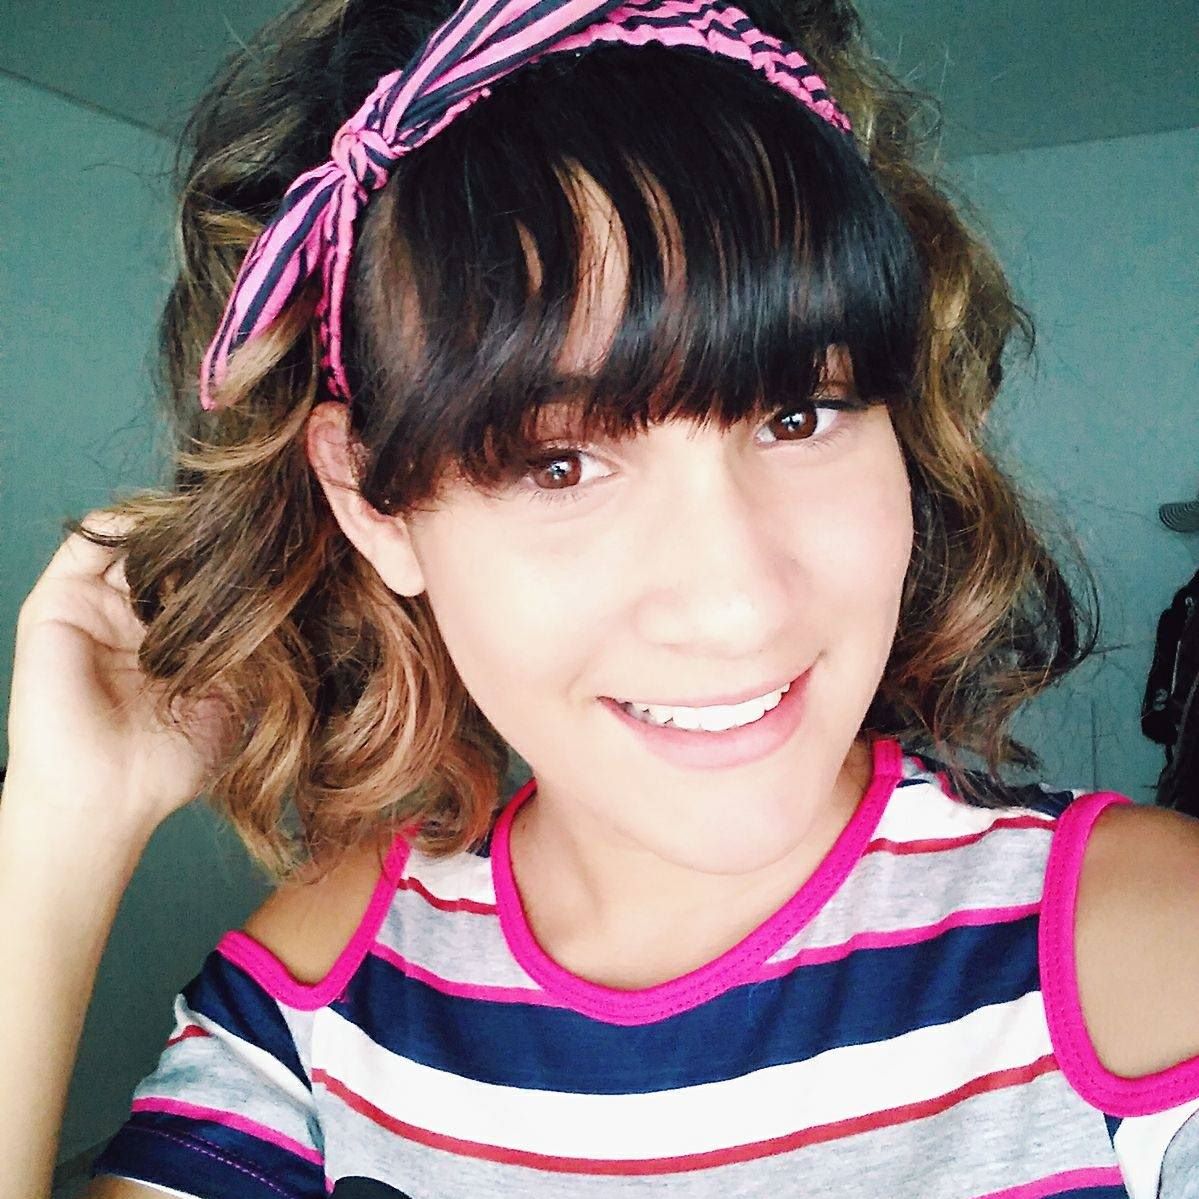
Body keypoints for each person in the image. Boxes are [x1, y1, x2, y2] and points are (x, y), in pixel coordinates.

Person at [3, 0, 1198, 1195]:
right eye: (558, 463)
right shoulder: (319, 1005)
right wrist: (62, 828)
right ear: (373, 502)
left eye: (799, 414)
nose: (735, 605)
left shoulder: (1144, 955)